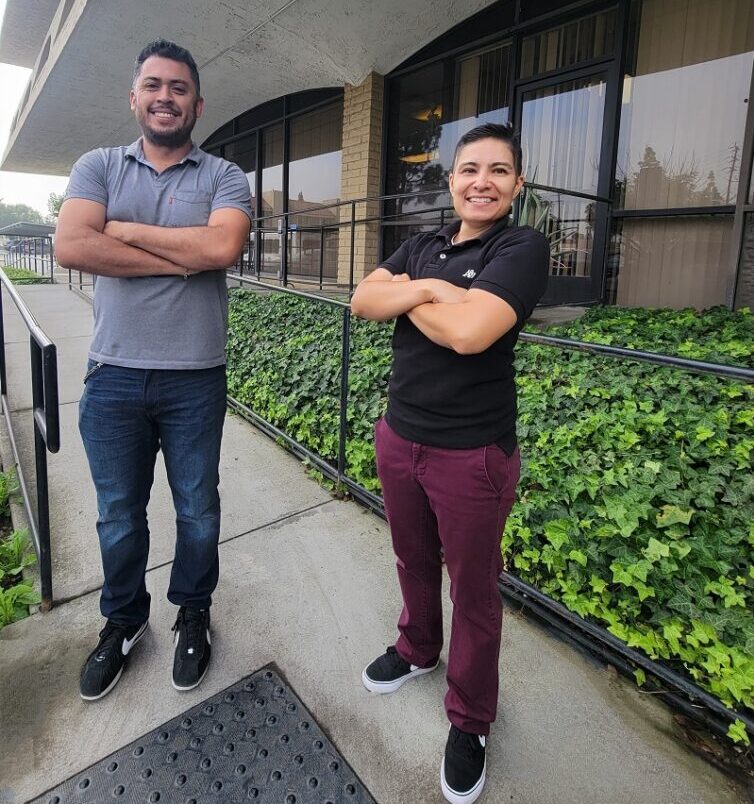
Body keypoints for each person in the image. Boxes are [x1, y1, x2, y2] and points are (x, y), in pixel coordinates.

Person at [351, 123, 549, 804]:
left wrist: (414, 293)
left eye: (499, 170)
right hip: (399, 434)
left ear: (517, 184)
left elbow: (472, 335)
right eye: (470, 169)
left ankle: (470, 719)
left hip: (473, 454)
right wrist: (437, 289)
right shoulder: (425, 243)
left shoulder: (521, 247)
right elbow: (362, 299)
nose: (482, 181)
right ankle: (416, 648)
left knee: (475, 588)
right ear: (453, 179)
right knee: (411, 558)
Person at [55, 40, 252, 700]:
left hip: (195, 377)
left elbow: (223, 244)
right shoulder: (99, 166)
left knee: (198, 510)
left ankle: (193, 613)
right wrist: (183, 257)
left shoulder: (224, 176)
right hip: (112, 376)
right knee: (118, 514)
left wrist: (128, 232)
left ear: (197, 103)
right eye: (153, 85)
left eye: (178, 88)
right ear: (134, 97)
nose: (165, 96)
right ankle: (123, 621)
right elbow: (74, 244)